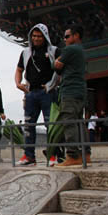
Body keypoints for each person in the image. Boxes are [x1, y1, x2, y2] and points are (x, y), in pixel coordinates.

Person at [14, 23, 61, 166]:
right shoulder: (26, 52)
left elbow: (59, 70)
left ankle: (53, 155)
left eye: (39, 36)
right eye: (34, 36)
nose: (36, 38)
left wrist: (51, 85)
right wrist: (18, 83)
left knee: (50, 124)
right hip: (30, 92)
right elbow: (19, 69)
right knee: (29, 125)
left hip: (47, 91)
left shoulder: (54, 50)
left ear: (45, 36)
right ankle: (29, 156)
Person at [54, 24, 91, 168]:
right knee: (79, 122)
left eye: (67, 36)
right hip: (80, 90)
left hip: (69, 90)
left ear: (76, 36)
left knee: (69, 122)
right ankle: (86, 154)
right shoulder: (81, 50)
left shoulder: (70, 49)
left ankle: (72, 155)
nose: (64, 39)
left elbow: (56, 65)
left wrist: (55, 61)